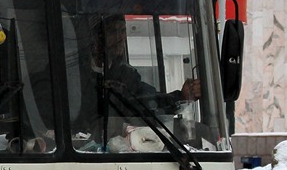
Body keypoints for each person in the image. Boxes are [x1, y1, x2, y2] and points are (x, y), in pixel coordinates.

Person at [77, 15, 200, 147]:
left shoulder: (126, 74)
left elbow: (148, 102)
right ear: (97, 37)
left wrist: (181, 96)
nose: (120, 38)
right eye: (113, 32)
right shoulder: (76, 73)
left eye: (123, 31)